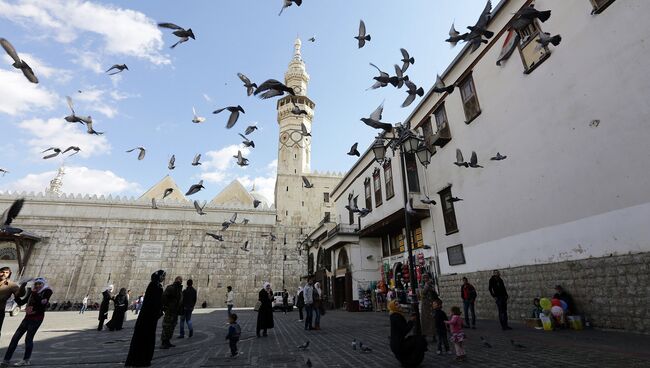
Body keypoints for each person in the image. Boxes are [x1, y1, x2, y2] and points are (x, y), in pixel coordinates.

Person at [1, 277, 53, 367]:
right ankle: (6, 360)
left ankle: (26, 360)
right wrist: (15, 296)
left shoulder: (47, 292)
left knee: (28, 339)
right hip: (27, 317)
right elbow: (22, 302)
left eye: (40, 284)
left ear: (44, 284)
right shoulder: (32, 292)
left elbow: (42, 303)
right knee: (15, 338)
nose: (37, 285)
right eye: (36, 284)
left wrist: (34, 292)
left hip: (37, 318)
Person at [125, 270, 165, 367]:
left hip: (144, 317)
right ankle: (144, 360)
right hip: (150, 317)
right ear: (159, 277)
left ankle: (135, 359)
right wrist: (160, 311)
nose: (164, 278)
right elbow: (157, 303)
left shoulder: (151, 285)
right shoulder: (157, 287)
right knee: (148, 338)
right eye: (163, 276)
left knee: (140, 337)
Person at [388, 300, 427, 367]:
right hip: (399, 345)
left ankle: (410, 360)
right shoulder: (396, 316)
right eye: (396, 305)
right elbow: (405, 330)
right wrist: (411, 321)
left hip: (397, 343)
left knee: (416, 339)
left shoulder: (394, 315)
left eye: (398, 304)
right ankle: (413, 360)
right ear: (393, 307)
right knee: (420, 340)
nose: (399, 305)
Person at [160, 276, 183, 349]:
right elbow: (164, 297)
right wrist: (166, 306)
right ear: (175, 280)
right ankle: (164, 342)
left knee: (172, 326)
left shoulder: (179, 290)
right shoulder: (170, 288)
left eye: (180, 280)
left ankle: (168, 341)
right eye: (178, 280)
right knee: (167, 325)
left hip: (175, 311)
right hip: (170, 310)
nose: (179, 281)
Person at [0, 267, 20, 335]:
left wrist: (23, 287)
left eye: (6, 272)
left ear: (9, 274)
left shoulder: (11, 285)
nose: (4, 274)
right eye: (2, 272)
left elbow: (19, 293)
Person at [420, 274, 438, 342]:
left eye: (426, 277)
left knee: (433, 320)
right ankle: (425, 334)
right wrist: (427, 285)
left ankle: (434, 335)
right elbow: (423, 292)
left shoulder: (431, 284)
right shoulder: (422, 285)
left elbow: (434, 292)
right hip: (425, 305)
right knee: (425, 320)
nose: (425, 279)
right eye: (424, 277)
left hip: (432, 304)